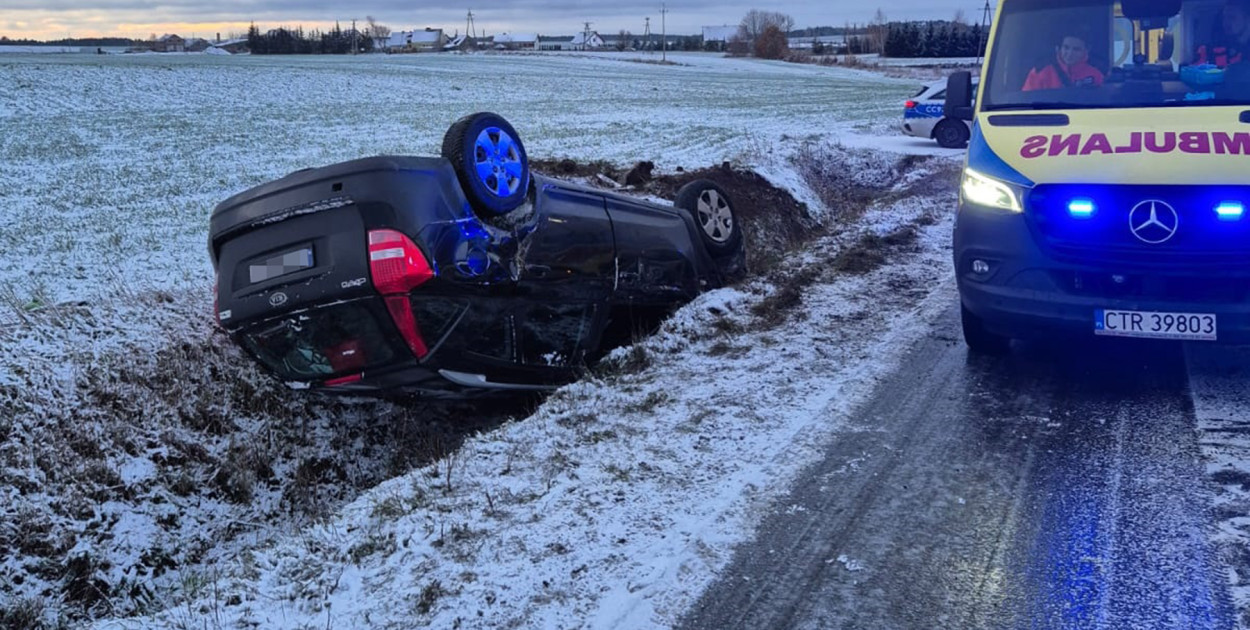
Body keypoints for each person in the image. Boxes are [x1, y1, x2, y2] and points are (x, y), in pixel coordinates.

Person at [1022, 34, 1105, 91]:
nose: (1070, 53)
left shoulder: (1096, 74)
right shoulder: (1040, 71)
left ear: (1086, 50)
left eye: (1076, 49)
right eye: (1066, 47)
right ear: (1058, 48)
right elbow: (1027, 104)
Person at [1196, 0, 1250, 67]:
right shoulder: (1216, 48)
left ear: (1247, 19)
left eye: (1232, 17)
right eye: (1224, 17)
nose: (1226, 22)